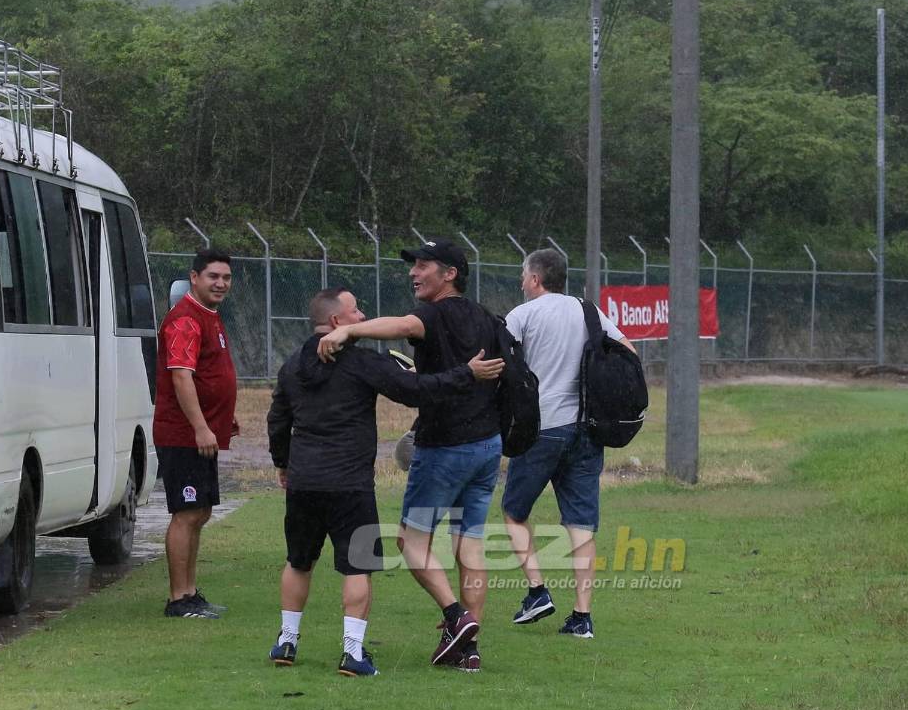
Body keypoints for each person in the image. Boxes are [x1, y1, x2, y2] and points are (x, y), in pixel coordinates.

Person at [267, 287, 504, 677]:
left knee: (298, 561)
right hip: (350, 485)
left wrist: (283, 464)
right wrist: (468, 373)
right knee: (357, 567)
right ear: (336, 322)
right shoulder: (360, 362)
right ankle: (352, 653)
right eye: (356, 310)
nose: (363, 317)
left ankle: (287, 642)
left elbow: (278, 419)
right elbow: (415, 392)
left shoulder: (292, 365)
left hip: (304, 482)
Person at [501, 249, 636, 638]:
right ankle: (582, 617)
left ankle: (537, 590)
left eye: (524, 275)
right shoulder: (588, 311)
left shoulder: (523, 314)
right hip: (586, 431)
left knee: (513, 512)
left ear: (537, 280)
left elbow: (501, 360)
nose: (522, 281)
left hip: (541, 429)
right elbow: (628, 352)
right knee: (580, 525)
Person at [153, 249, 238, 619]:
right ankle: (178, 599)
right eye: (213, 277)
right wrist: (202, 426)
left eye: (226, 277)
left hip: (202, 433)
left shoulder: (210, 317)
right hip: (183, 436)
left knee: (200, 512)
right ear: (194, 277)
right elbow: (181, 376)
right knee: (186, 513)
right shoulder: (185, 319)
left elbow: (209, 377)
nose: (220, 283)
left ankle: (190, 592)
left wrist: (221, 419)